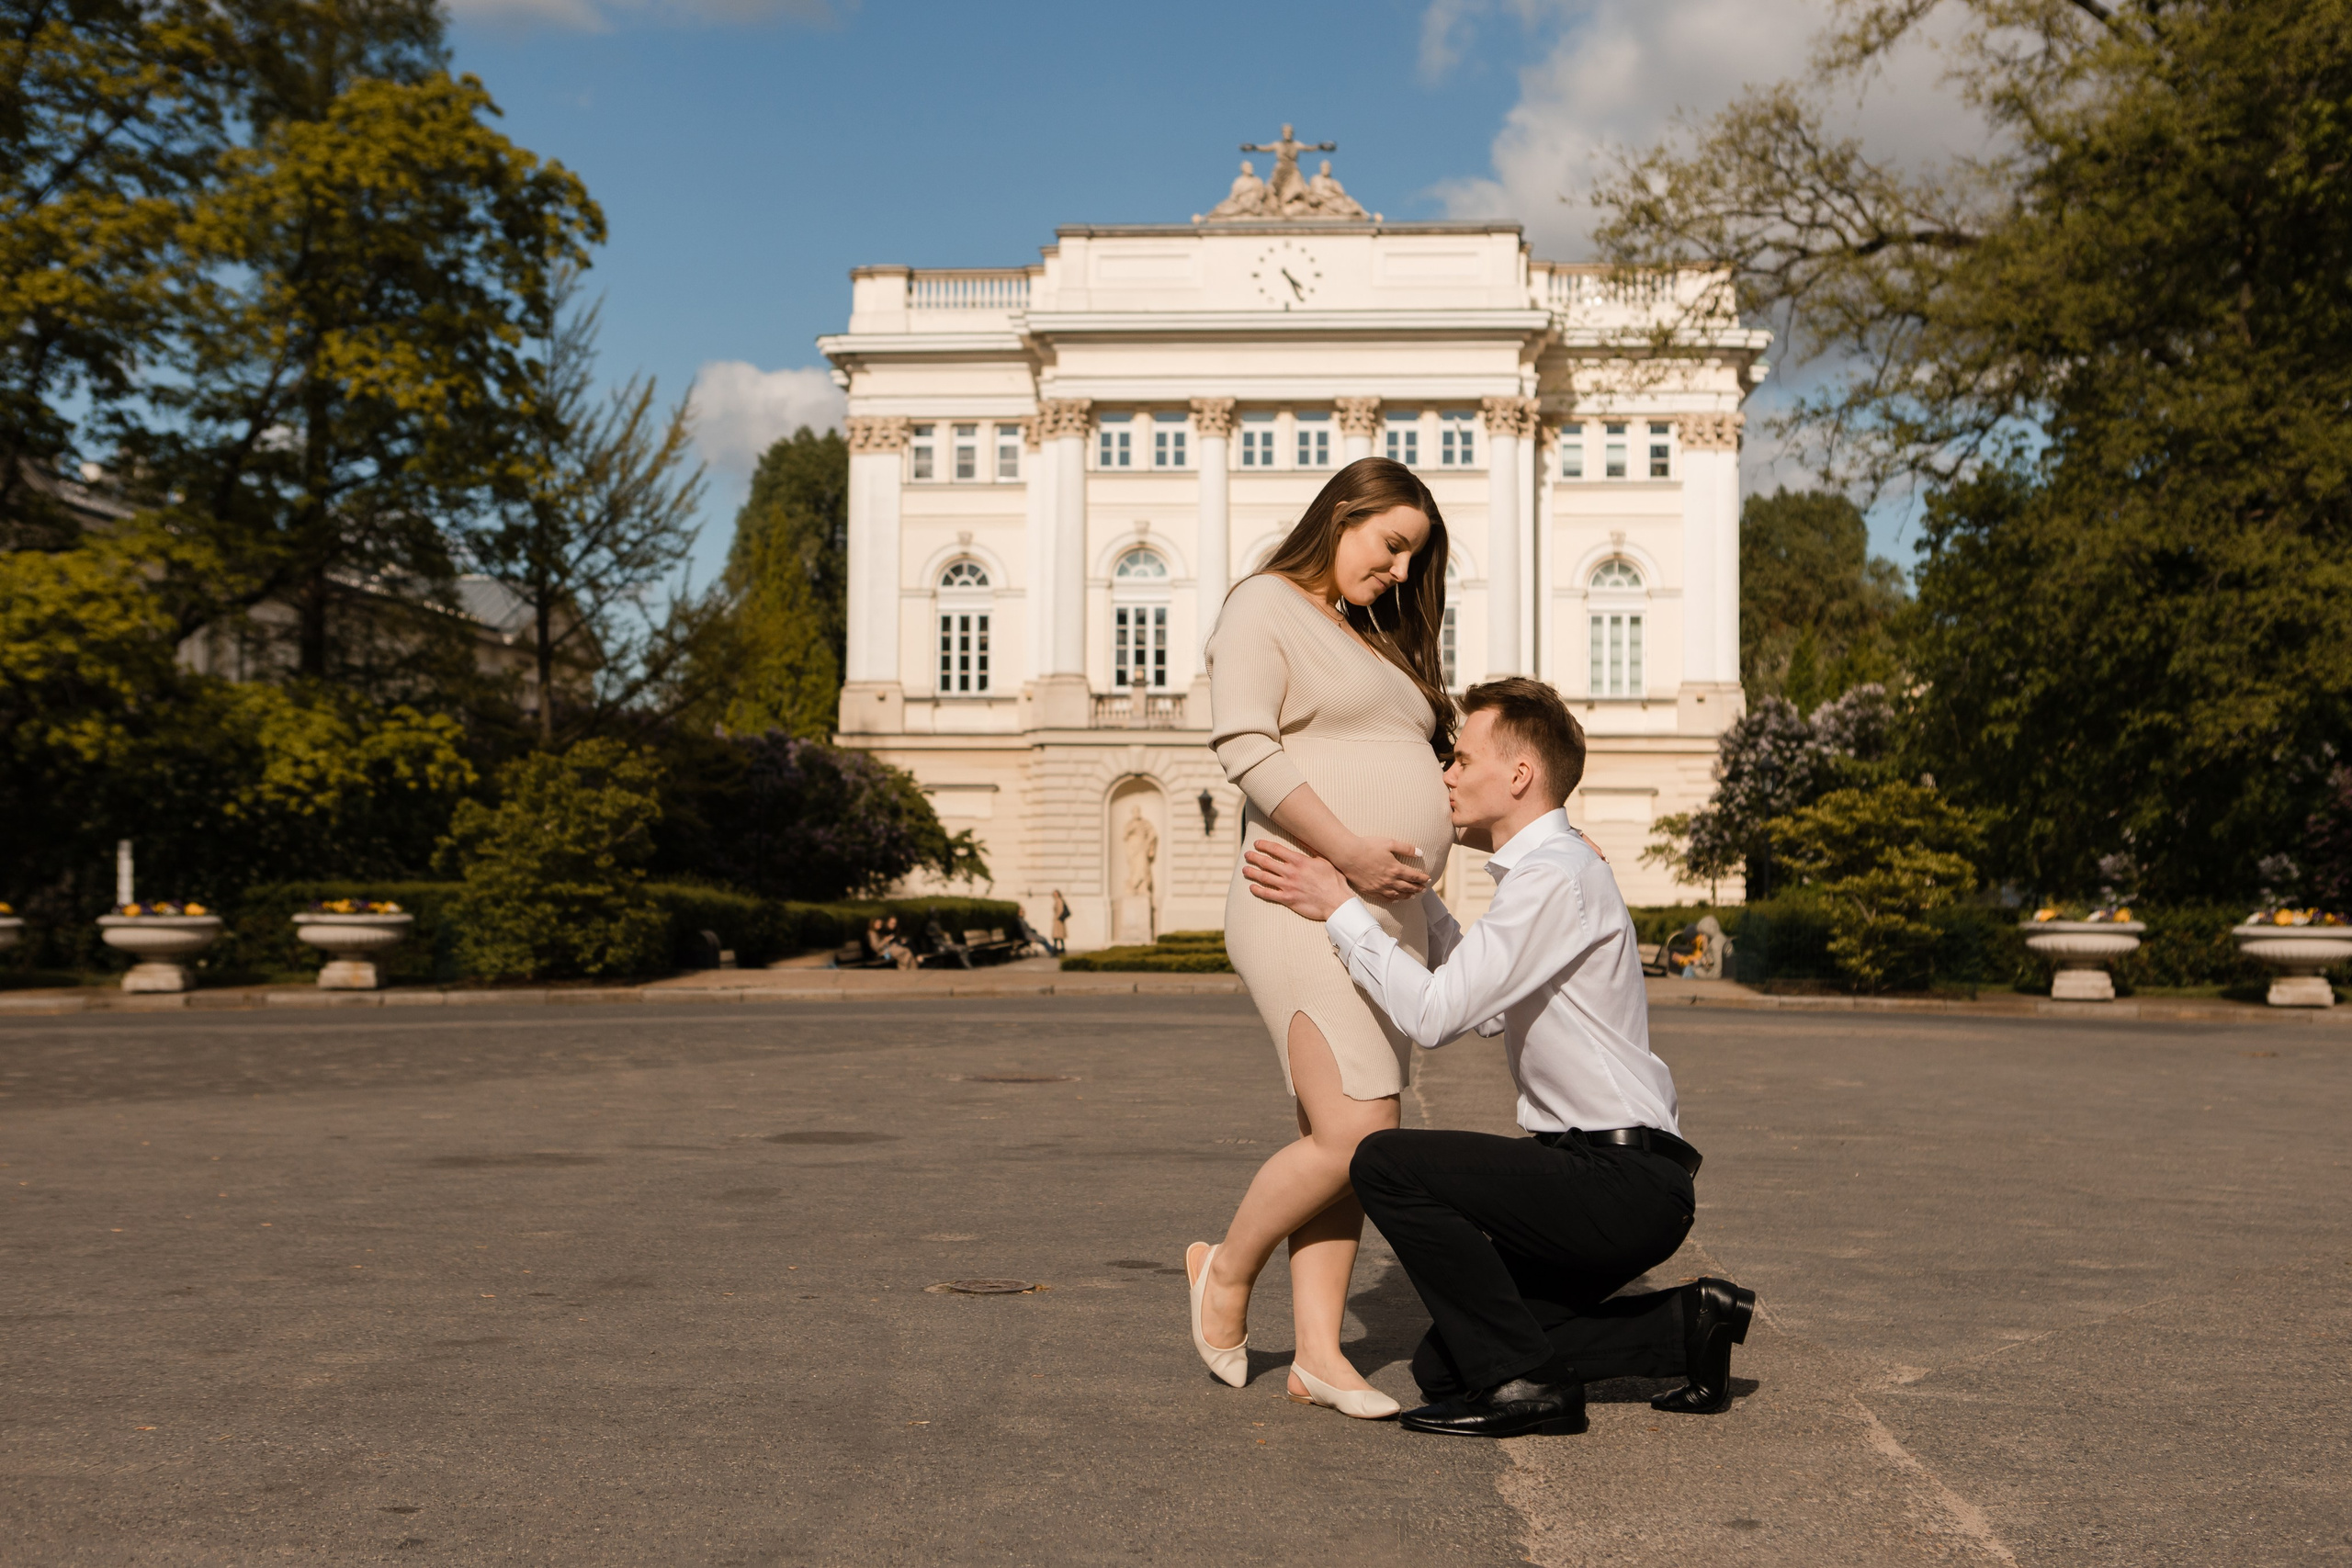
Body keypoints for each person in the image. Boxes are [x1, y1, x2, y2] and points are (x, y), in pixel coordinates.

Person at [1243, 677, 1757, 1438]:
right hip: (1603, 1177)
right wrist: (1411, 894)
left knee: (1384, 1161)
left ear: (1519, 774)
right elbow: (1482, 1004)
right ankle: (1688, 1326)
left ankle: (1529, 1392)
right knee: (1447, 1363)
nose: (1446, 774)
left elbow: (1434, 1014)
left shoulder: (1554, 875)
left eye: (1461, 758)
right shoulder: (1553, 871)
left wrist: (1340, 907)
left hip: (1616, 1179)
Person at [1187, 457, 1455, 1421]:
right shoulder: (1263, 603)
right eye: (1392, 544)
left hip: (1382, 913)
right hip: (1302, 897)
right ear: (1343, 514)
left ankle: (1318, 1356)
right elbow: (1243, 742)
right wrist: (1347, 853)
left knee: (1339, 1138)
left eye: (1413, 559)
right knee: (1359, 1133)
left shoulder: (1367, 635)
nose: (1399, 571)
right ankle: (1225, 1269)